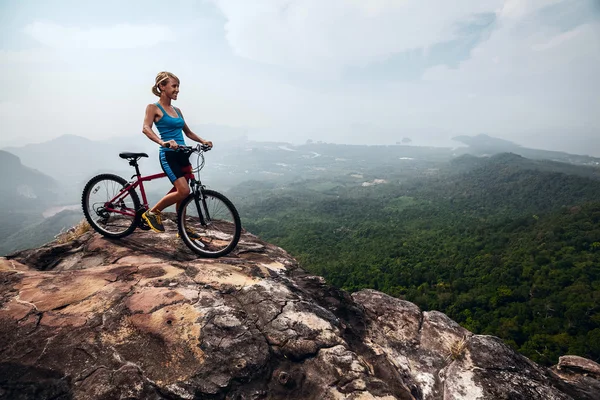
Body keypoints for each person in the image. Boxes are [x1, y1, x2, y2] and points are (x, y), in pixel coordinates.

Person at [141, 71, 212, 233]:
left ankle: (183, 230)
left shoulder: (177, 110)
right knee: (184, 190)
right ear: (162, 86)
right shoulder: (153, 108)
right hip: (169, 155)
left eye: (178, 86)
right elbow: (146, 128)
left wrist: (203, 141)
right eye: (174, 86)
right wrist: (162, 142)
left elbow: (188, 132)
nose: (177, 89)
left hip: (183, 154)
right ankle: (152, 213)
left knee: (183, 194)